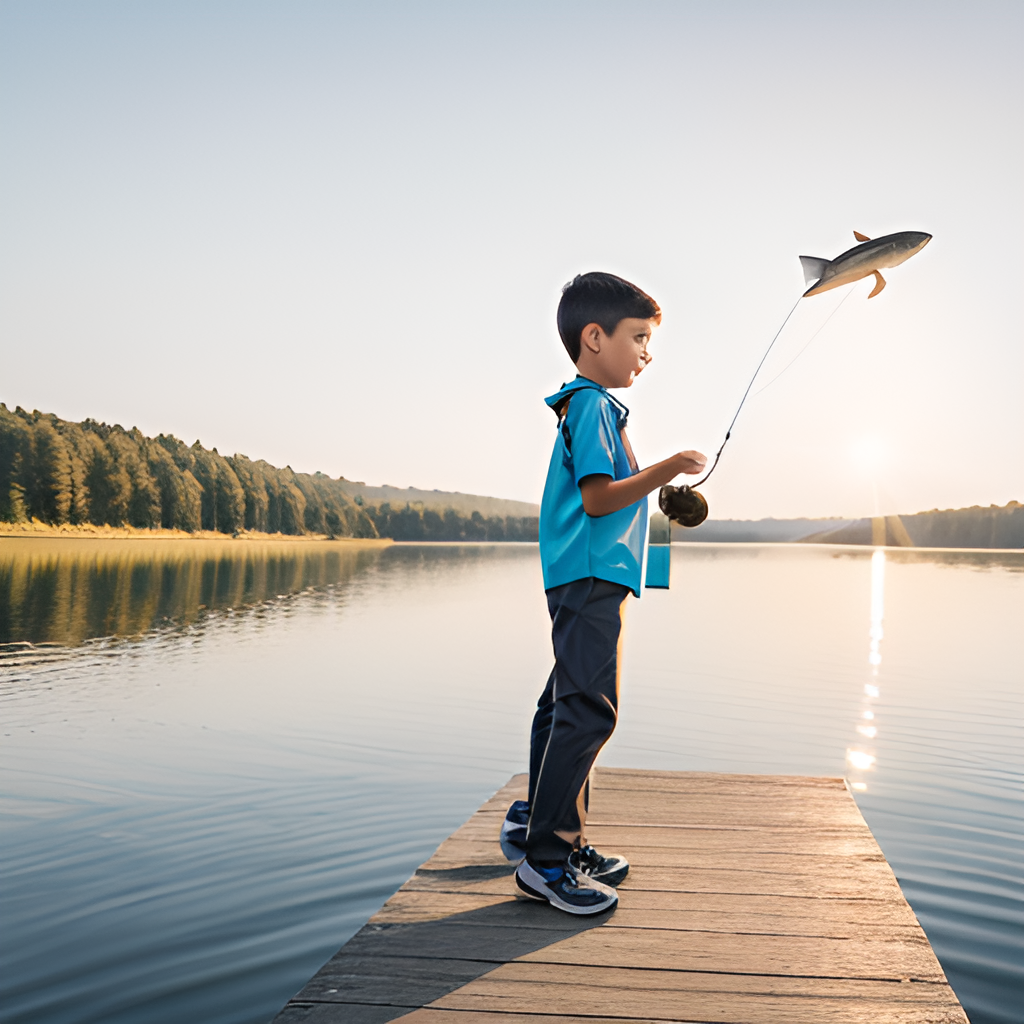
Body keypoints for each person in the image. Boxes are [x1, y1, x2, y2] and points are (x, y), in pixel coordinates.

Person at [499, 272, 707, 914]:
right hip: (589, 575)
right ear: (596, 337)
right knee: (591, 709)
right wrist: (668, 468)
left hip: (585, 575)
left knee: (563, 703)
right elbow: (597, 499)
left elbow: (614, 492)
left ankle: (538, 822)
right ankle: (548, 860)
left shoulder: (594, 406)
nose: (648, 353)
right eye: (639, 338)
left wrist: (657, 488)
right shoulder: (590, 404)